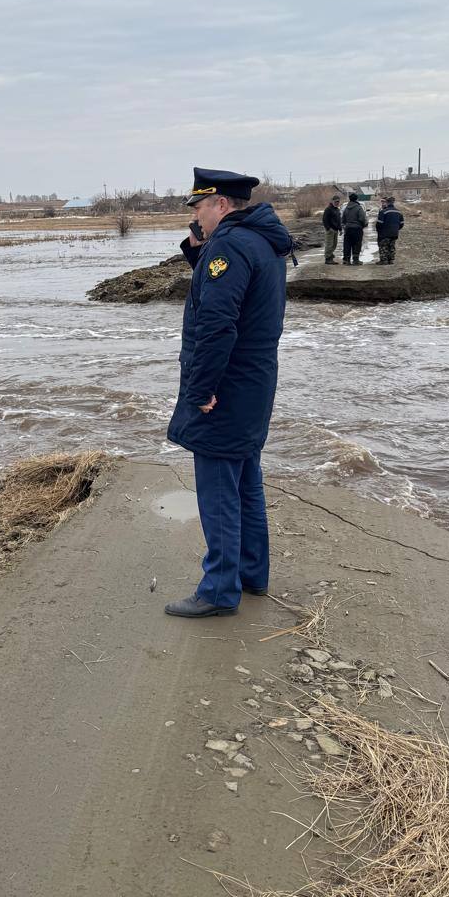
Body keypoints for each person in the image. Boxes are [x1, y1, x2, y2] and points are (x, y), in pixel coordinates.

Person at [164, 168, 294, 618]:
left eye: (198, 208)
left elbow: (217, 324)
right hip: (254, 382)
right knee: (245, 481)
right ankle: (252, 573)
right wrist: (201, 250)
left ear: (220, 203)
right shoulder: (260, 241)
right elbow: (231, 295)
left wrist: (201, 389)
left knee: (219, 488)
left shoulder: (231, 246)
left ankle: (219, 590)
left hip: (227, 387)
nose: (195, 217)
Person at [341, 192, 367, 265]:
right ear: (356, 199)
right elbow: (362, 218)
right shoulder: (359, 208)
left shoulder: (346, 208)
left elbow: (343, 219)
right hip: (357, 229)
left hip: (348, 229)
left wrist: (345, 226)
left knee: (347, 244)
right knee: (357, 244)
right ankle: (355, 260)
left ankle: (347, 260)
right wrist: (363, 225)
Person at [376, 196, 404, 264]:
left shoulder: (383, 212)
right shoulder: (399, 212)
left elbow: (379, 223)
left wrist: (379, 231)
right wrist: (396, 229)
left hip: (384, 232)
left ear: (387, 203)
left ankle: (384, 260)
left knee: (383, 246)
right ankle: (391, 260)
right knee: (391, 246)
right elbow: (402, 223)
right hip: (394, 232)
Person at [322, 195, 342, 264]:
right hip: (330, 230)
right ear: (332, 201)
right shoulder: (328, 209)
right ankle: (328, 259)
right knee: (329, 244)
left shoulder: (337, 209)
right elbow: (324, 220)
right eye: (336, 201)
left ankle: (330, 255)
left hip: (336, 230)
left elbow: (339, 220)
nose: (337, 203)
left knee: (334, 244)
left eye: (338, 201)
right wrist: (328, 228)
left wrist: (340, 229)